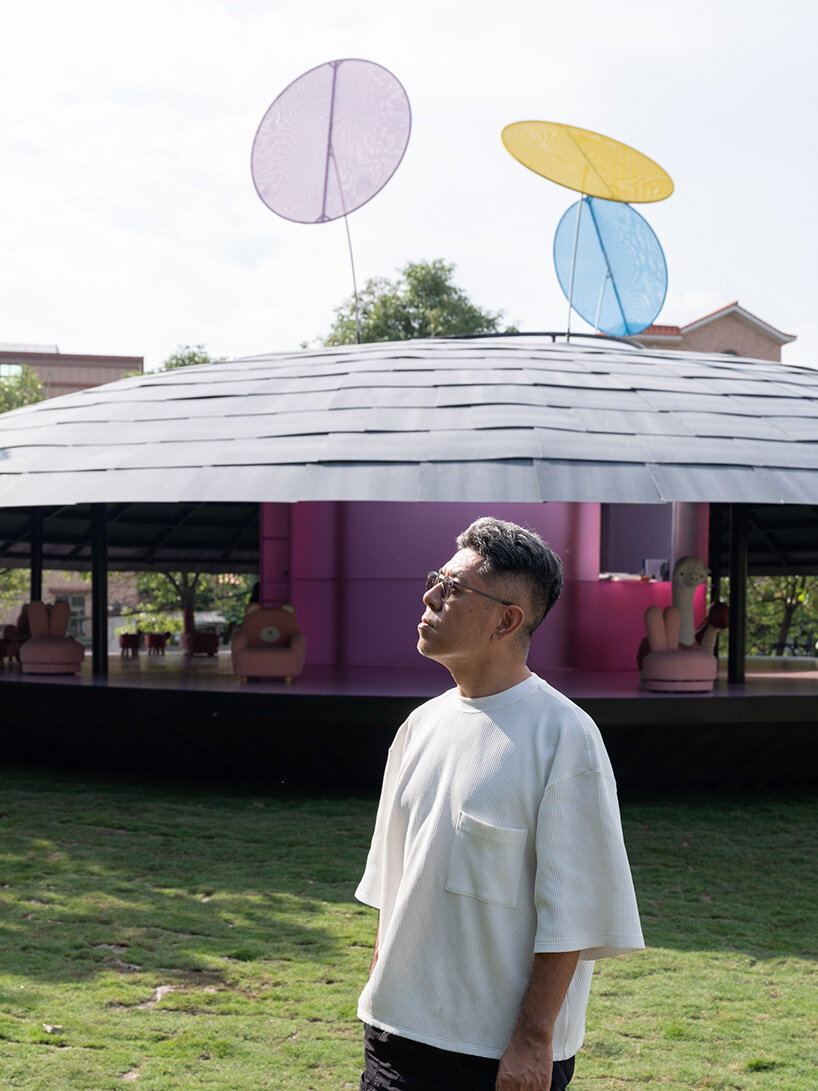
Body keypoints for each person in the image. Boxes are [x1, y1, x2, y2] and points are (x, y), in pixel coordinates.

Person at [355, 516, 644, 1091]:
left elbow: (576, 911)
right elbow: (395, 882)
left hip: (495, 1055)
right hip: (396, 1036)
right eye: (436, 577)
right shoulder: (420, 725)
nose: (430, 594)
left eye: (453, 587)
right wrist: (381, 988)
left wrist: (534, 1043)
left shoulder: (562, 736)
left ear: (507, 620)